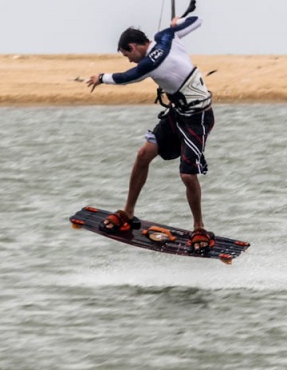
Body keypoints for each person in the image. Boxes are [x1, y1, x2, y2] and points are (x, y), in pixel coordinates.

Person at [86, 15, 216, 253]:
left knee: (188, 175)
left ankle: (199, 227)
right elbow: (196, 21)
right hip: (177, 113)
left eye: (128, 55)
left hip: (197, 119)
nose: (130, 60)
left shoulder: (150, 64)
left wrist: (101, 78)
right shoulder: (166, 35)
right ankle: (128, 212)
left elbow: (128, 77)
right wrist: (177, 24)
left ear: (133, 47)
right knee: (144, 154)